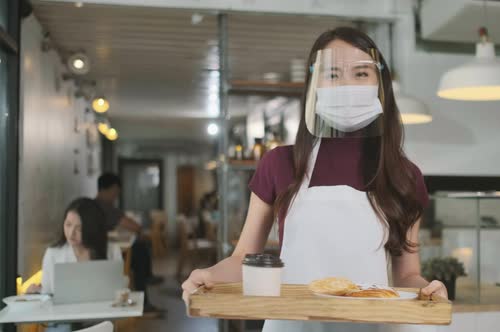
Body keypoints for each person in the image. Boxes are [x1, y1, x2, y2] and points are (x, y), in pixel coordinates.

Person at [182, 27, 447, 331]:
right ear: (313, 86)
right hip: (290, 325)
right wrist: (210, 274)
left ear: (380, 85)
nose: (347, 85)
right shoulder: (279, 163)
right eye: (332, 74)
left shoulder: (404, 175)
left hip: (368, 326)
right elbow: (245, 258)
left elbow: (406, 276)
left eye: (361, 74)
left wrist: (428, 289)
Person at [95, 172, 165, 316]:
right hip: (102, 255)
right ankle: (145, 289)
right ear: (110, 189)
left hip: (100, 250)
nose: (116, 196)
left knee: (139, 247)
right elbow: (135, 227)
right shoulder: (105, 207)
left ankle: (147, 277)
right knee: (139, 250)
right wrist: (141, 232)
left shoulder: (94, 205)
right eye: (115, 192)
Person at [26, 197, 121, 295]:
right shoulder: (53, 253)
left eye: (79, 229)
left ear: (92, 229)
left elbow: (119, 290)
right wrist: (36, 293)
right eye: (68, 225)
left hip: (104, 309)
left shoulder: (112, 251)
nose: (71, 233)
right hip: (63, 310)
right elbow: (47, 294)